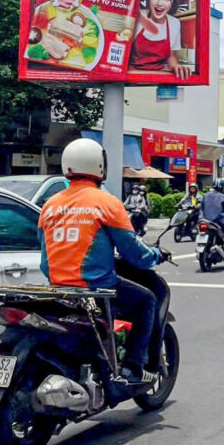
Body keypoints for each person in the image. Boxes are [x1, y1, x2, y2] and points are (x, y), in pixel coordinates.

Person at [38, 138, 169, 383]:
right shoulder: (107, 202)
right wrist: (156, 254)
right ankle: (134, 367)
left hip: (58, 288)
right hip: (97, 287)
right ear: (100, 166)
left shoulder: (50, 206)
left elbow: (45, 260)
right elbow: (136, 254)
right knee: (147, 300)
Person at [129, 0, 191, 79]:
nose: (159, 3)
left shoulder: (174, 23)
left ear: (172, 2)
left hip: (158, 76)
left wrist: (176, 66)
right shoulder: (137, 18)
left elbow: (171, 56)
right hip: (132, 75)